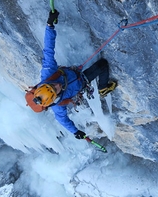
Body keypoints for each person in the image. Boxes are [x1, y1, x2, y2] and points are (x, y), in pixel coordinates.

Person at [25, 9, 117, 139]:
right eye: (56, 90)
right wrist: (75, 132)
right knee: (102, 65)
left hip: (72, 73)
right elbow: (63, 121)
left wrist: (50, 25)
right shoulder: (58, 106)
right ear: (54, 98)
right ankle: (103, 88)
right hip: (81, 82)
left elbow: (48, 49)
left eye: (52, 85)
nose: (57, 85)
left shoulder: (48, 73)